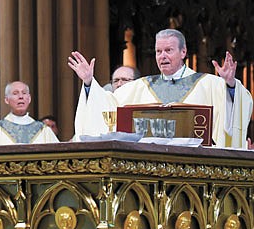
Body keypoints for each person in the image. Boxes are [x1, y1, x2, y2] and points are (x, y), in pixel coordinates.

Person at [68, 28, 253, 148]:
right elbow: (108, 109)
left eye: (168, 50)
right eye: (158, 51)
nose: (162, 56)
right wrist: (89, 83)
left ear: (183, 52)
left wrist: (230, 85)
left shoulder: (210, 84)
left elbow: (235, 108)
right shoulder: (139, 87)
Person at [0, 81, 59, 145]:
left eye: (24, 93)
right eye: (15, 93)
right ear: (6, 100)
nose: (21, 96)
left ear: (29, 98)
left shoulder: (44, 130)